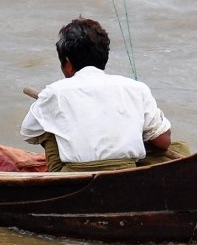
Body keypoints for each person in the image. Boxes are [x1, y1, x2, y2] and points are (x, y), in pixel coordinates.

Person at [20, 16, 185, 171]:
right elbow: (163, 142)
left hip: (72, 175)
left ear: (68, 63)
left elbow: (29, 132)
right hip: (125, 172)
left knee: (46, 127)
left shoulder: (54, 92)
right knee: (170, 145)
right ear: (104, 56)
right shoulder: (136, 88)